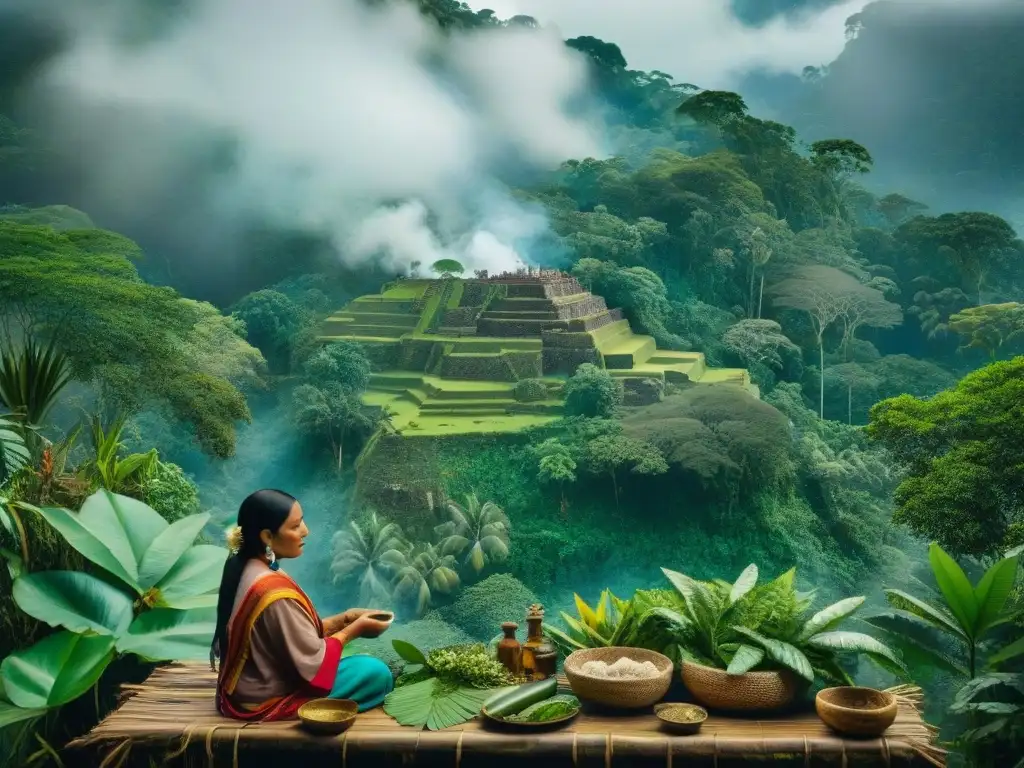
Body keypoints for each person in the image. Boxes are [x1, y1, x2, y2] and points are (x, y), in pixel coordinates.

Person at [212, 489, 395, 721]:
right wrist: (354, 630)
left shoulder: (245, 566)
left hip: (243, 689)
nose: (305, 531)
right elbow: (313, 665)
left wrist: (345, 619)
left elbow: (291, 635)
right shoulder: (271, 590)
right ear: (267, 537)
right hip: (263, 700)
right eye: (295, 526)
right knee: (376, 673)